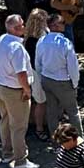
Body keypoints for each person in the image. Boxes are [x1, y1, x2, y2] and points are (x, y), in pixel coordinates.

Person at [0, 14, 37, 168]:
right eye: (22, 25)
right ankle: (21, 161)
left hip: (1, 87)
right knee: (18, 126)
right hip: (15, 90)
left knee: (6, 120)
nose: (25, 27)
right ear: (15, 29)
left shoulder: (2, 39)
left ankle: (7, 153)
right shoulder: (17, 48)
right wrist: (27, 90)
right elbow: (21, 74)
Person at [35, 13, 82, 137]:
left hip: (47, 80)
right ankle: (80, 141)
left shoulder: (41, 41)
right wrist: (75, 83)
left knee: (52, 112)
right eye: (62, 23)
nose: (64, 25)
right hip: (63, 81)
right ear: (54, 25)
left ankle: (56, 143)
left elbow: (38, 63)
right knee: (73, 112)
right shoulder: (65, 43)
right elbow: (73, 66)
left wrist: (42, 78)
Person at [23, 8, 50, 140]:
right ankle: (39, 129)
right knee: (41, 102)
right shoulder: (33, 40)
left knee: (46, 101)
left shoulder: (31, 38)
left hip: (44, 72)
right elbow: (35, 62)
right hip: (38, 74)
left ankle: (49, 125)